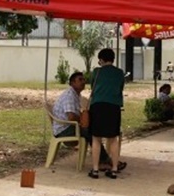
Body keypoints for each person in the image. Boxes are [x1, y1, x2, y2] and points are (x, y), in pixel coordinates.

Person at [51, 71, 111, 168]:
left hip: (70, 126)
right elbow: (71, 117)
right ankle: (105, 160)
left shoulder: (76, 95)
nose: (83, 82)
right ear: (72, 83)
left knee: (92, 128)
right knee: (92, 131)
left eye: (84, 80)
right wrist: (84, 120)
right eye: (80, 80)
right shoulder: (69, 95)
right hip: (64, 129)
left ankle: (102, 159)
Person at [88, 48, 126, 179]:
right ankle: (114, 169)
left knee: (96, 138)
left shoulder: (96, 72)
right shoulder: (120, 73)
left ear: (101, 60)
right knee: (113, 138)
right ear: (113, 59)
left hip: (97, 106)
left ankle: (95, 169)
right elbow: (120, 88)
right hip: (114, 107)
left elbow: (92, 87)